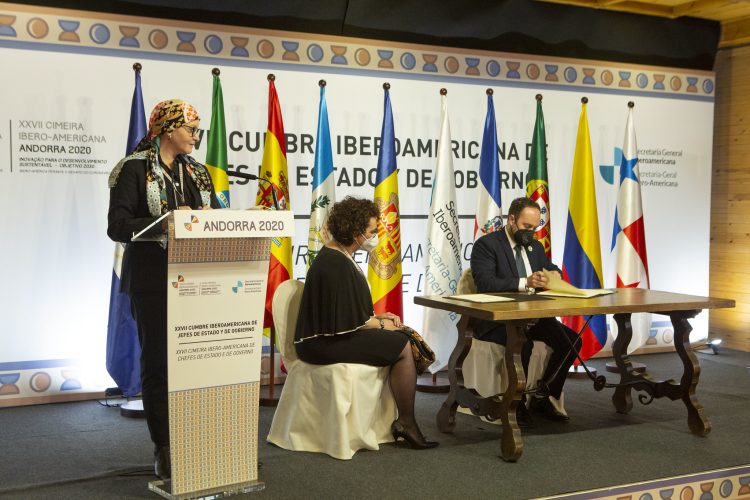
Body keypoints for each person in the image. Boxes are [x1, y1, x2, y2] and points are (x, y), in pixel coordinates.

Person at [107, 99, 220, 479]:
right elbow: (117, 227)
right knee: (160, 364)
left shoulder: (198, 173)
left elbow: (214, 218)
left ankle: (196, 439)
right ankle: (165, 446)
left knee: (195, 363)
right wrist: (168, 221)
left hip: (198, 280)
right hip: (153, 280)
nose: (196, 137)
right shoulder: (133, 169)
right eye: (191, 129)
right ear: (169, 129)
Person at [294, 196, 438, 450]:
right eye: (371, 231)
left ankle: (403, 421)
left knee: (400, 337)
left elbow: (345, 312)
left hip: (330, 337)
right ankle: (406, 423)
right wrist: (382, 326)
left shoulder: (339, 256)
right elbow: (346, 322)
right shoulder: (336, 264)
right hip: (321, 345)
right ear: (355, 232)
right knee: (402, 345)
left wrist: (379, 319)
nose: (374, 236)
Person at [470, 197, 581, 425]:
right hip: (498, 319)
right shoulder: (487, 245)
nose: (531, 233)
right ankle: (516, 403)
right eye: (526, 226)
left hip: (532, 316)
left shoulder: (535, 247)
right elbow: (486, 283)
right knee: (524, 344)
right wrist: (525, 282)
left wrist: (554, 275)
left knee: (572, 341)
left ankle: (543, 396)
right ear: (511, 220)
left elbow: (551, 268)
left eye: (535, 228)